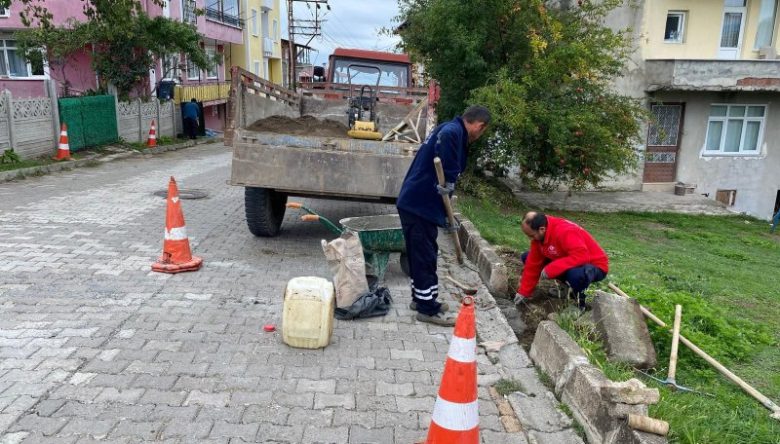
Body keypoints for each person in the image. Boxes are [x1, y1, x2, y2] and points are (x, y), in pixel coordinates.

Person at [396, 105, 491, 326]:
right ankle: (428, 309)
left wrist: (447, 216)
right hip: (419, 204)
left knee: (423, 253)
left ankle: (421, 299)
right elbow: (447, 164)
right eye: (482, 131)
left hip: (418, 203)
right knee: (424, 256)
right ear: (479, 125)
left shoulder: (450, 128)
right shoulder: (452, 132)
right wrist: (449, 178)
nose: (479, 135)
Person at [514, 211, 608, 311]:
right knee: (527, 257)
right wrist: (523, 292)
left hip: (594, 266)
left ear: (542, 229)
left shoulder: (565, 231)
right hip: (572, 261)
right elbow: (533, 265)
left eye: (532, 235)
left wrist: (553, 268)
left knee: (576, 275)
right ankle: (565, 288)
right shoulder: (540, 236)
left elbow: (582, 256)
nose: (530, 239)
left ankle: (579, 305)